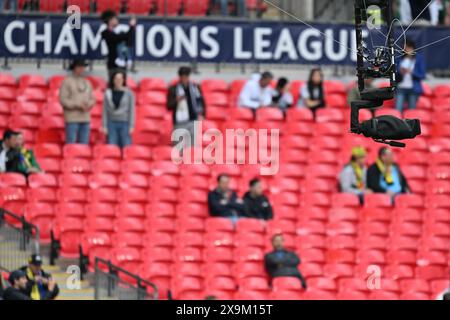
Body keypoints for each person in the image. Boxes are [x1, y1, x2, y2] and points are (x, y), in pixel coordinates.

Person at [59, 59, 96, 145]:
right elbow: (63, 99)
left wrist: (89, 104)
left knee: (84, 145)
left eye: (83, 67)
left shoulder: (87, 82)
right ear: (74, 68)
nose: (82, 69)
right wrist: (77, 105)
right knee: (71, 144)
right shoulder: (66, 82)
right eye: (79, 67)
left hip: (85, 117)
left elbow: (93, 99)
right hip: (72, 118)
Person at [167, 66, 205, 148]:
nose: (184, 78)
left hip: (193, 121)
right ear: (180, 77)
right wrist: (176, 100)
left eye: (186, 76)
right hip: (179, 123)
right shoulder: (173, 89)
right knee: (178, 150)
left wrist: (202, 114)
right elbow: (168, 106)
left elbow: (201, 102)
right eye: (183, 76)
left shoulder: (195, 88)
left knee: (193, 149)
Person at [102, 70, 135, 149]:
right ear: (113, 80)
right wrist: (104, 126)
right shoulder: (108, 93)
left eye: (120, 79)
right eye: (116, 78)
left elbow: (132, 110)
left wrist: (131, 125)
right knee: (112, 147)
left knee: (126, 147)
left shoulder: (129, 93)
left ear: (123, 80)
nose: (118, 81)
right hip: (111, 123)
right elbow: (105, 111)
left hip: (125, 123)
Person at [101, 10, 136, 77]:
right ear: (110, 20)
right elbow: (121, 38)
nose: (117, 20)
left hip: (121, 65)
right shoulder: (105, 33)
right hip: (113, 65)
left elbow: (127, 40)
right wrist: (131, 26)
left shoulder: (115, 32)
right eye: (115, 19)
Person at [395, 39, 426, 113]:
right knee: (398, 109)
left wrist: (412, 72)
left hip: (413, 89)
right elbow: (395, 73)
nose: (406, 50)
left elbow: (422, 75)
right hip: (400, 88)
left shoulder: (419, 58)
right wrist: (400, 72)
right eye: (405, 48)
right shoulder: (399, 59)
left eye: (408, 48)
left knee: (411, 111)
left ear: (412, 48)